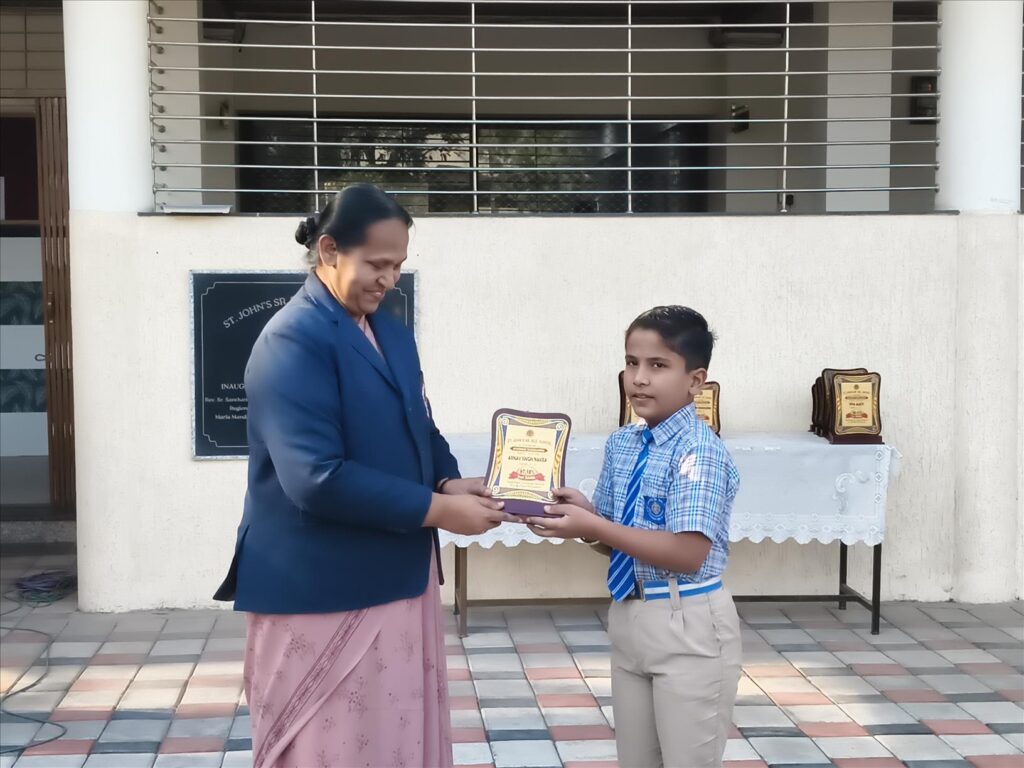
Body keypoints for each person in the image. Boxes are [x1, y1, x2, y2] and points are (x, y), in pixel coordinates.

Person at [214, 184, 511, 768]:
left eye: (398, 265)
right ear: (329, 250)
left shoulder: (390, 331)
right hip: (321, 587)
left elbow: (418, 425)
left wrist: (448, 482)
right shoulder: (291, 340)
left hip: (397, 577)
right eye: (377, 264)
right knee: (333, 748)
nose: (389, 279)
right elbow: (314, 478)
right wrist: (440, 512)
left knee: (394, 742)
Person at [526, 306, 742, 768]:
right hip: (629, 614)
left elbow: (688, 553)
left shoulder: (698, 451)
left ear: (695, 380)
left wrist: (594, 526)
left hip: (689, 623)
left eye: (658, 365)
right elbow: (617, 537)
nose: (639, 378)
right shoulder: (623, 443)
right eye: (631, 362)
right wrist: (584, 519)